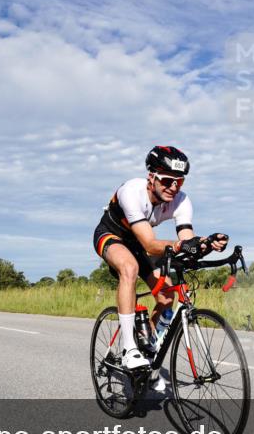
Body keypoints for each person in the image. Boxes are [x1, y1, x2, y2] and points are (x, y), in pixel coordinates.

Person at [93, 146, 227, 377]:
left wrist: (205, 243)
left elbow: (186, 238)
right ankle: (129, 348)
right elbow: (149, 244)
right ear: (151, 177)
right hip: (112, 235)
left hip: (139, 242)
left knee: (166, 296)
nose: (173, 188)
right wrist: (178, 245)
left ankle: (147, 344)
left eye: (180, 182)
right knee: (129, 267)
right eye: (167, 181)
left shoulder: (181, 201)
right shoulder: (132, 191)